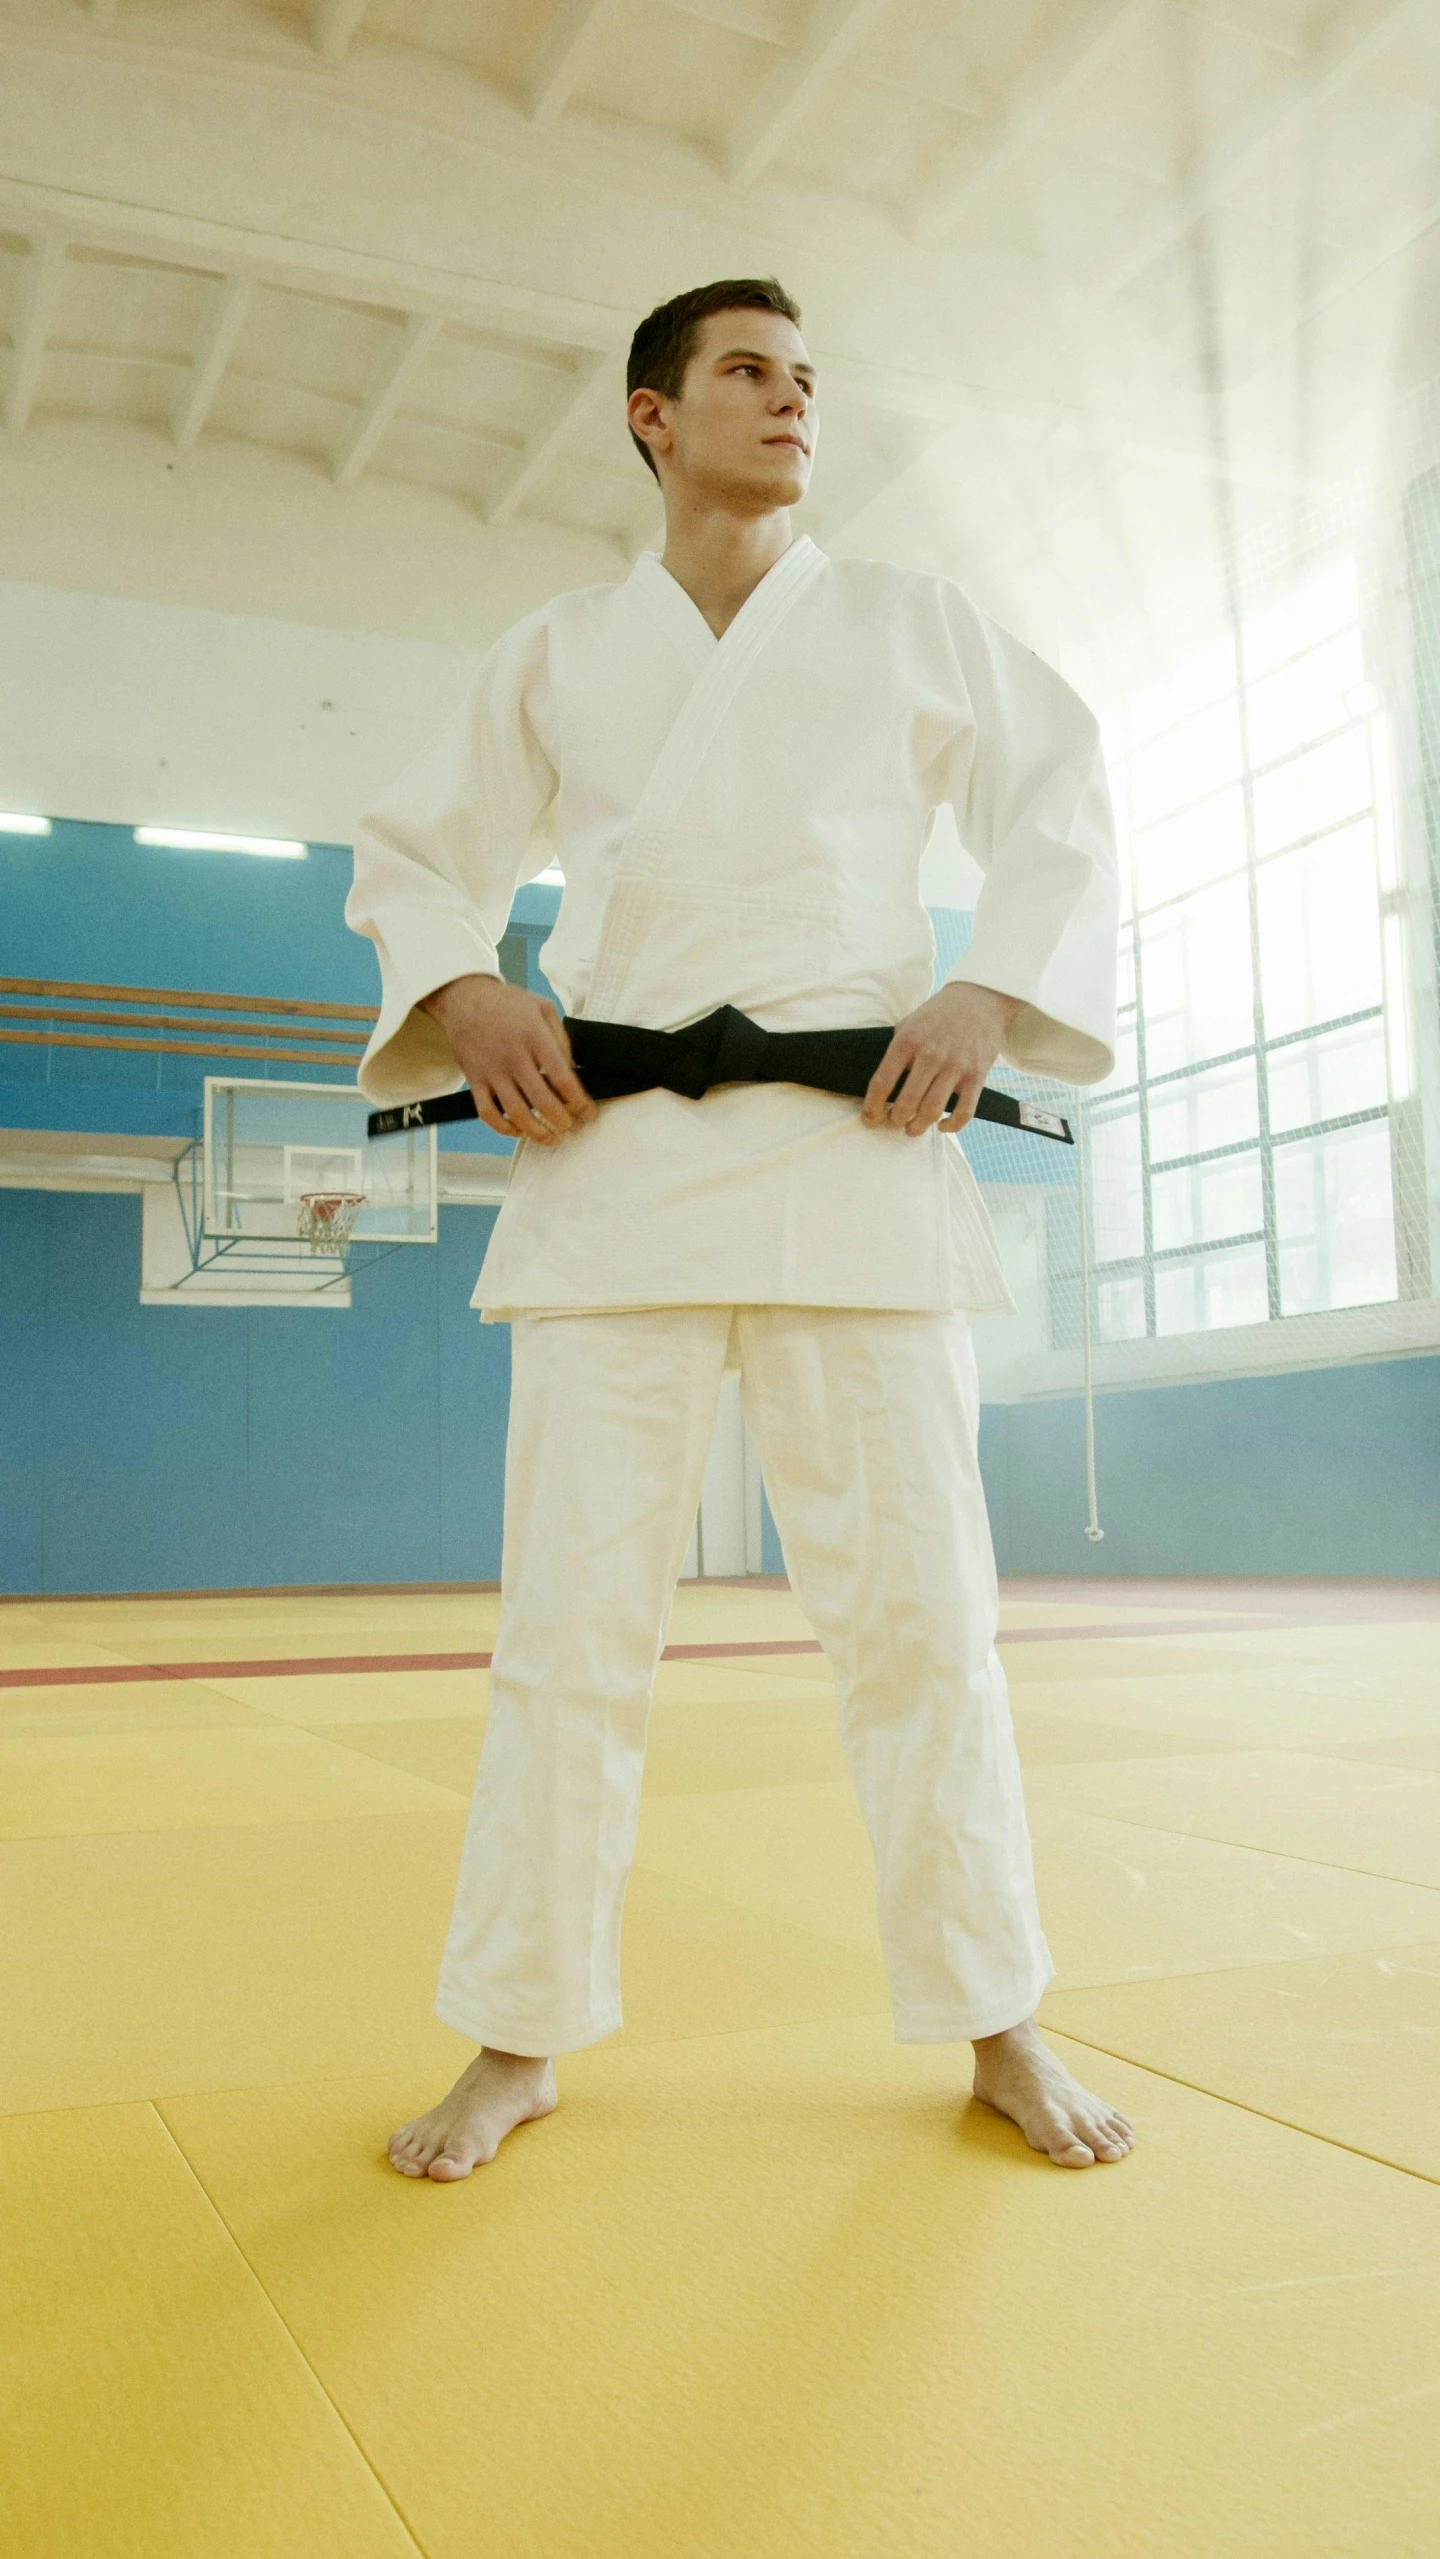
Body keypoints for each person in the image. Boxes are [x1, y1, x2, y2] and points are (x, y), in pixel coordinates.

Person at [348, 276, 1134, 2181]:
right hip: (612, 1158)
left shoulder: (903, 621)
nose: (791, 404)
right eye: (748, 375)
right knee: (569, 1634)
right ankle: (519, 2034)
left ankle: (1000, 2017)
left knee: (927, 1632)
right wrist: (466, 991)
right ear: (651, 416)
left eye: (807, 379)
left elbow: (1065, 789)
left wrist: (989, 991)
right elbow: (415, 852)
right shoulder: (559, 648)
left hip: (856, 1151)